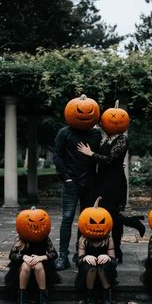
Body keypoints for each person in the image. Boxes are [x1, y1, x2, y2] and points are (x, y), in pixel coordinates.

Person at [77, 102, 145, 264]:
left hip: (114, 182)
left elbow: (109, 159)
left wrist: (90, 153)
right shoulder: (105, 139)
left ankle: (117, 251)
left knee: (112, 215)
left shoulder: (122, 139)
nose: (112, 121)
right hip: (102, 180)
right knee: (103, 213)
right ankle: (131, 222)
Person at [53, 95, 101, 270]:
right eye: (80, 111)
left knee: (85, 220)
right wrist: (66, 177)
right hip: (71, 182)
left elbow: (99, 157)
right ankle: (62, 256)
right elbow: (57, 156)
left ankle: (80, 253)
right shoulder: (64, 133)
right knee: (67, 218)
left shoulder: (96, 134)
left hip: (90, 183)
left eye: (89, 111)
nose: (84, 114)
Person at [75, 201, 117, 304]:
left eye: (102, 222)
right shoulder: (83, 240)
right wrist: (85, 257)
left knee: (103, 267)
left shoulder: (109, 239)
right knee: (91, 268)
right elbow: (78, 261)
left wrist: (108, 257)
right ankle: (90, 295)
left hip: (105, 268)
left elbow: (113, 261)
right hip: (88, 269)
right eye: (93, 222)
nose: (97, 226)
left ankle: (107, 294)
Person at [4, 234, 61, 304]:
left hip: (40, 267)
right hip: (23, 266)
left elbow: (54, 254)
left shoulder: (43, 237)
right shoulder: (22, 236)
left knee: (38, 265)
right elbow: (12, 255)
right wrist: (24, 257)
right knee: (25, 267)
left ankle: (43, 298)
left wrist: (41, 257)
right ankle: (21, 298)